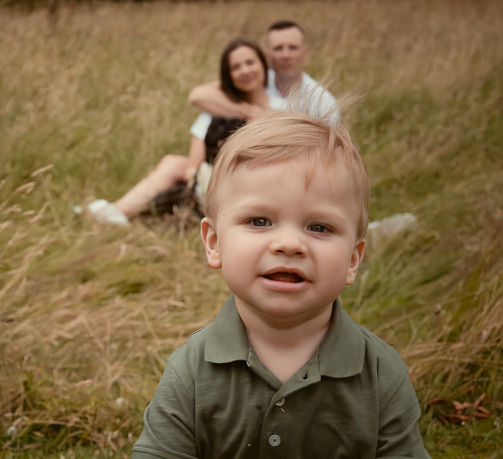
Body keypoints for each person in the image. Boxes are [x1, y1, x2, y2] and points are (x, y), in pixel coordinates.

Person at [132, 111, 430, 458]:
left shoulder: (380, 374)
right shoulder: (191, 372)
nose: (289, 244)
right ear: (214, 243)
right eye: (260, 221)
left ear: (352, 259)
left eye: (319, 227)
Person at [85, 38, 287, 225]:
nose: (244, 71)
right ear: (228, 75)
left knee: (173, 164)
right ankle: (115, 213)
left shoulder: (283, 108)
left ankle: (113, 212)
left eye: (250, 63)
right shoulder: (220, 107)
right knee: (174, 163)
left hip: (257, 181)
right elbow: (193, 163)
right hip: (213, 180)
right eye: (236, 67)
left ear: (263, 64)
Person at [189, 19, 339, 126]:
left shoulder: (323, 102)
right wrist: (246, 111)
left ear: (305, 52)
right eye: (278, 48)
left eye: (293, 47)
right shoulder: (255, 78)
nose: (285, 55)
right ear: (267, 54)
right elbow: (198, 95)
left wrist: (265, 119)